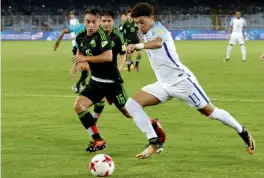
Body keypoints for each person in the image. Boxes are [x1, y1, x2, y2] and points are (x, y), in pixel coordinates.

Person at [125, 3, 255, 159]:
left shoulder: (159, 29)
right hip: (163, 84)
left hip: (182, 82)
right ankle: (155, 141)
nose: (139, 26)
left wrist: (138, 46)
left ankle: (242, 131)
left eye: (142, 22)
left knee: (210, 112)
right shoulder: (143, 32)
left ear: (152, 19)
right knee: (131, 105)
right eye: (137, 23)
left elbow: (158, 42)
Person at [71, 8, 165, 152]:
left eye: (93, 22)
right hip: (96, 81)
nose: (90, 25)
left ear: (98, 22)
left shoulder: (104, 36)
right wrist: (77, 63)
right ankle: (98, 140)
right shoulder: (80, 35)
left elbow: (108, 57)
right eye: (87, 22)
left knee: (128, 113)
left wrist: (86, 59)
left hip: (111, 83)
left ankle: (153, 124)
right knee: (79, 105)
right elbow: (81, 49)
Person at [53, 23, 89, 93]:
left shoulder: (78, 26)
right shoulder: (79, 27)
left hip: (84, 48)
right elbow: (64, 31)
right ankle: (79, 85)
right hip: (79, 49)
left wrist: (57, 42)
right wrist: (57, 42)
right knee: (86, 68)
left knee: (86, 68)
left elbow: (63, 31)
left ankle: (80, 83)